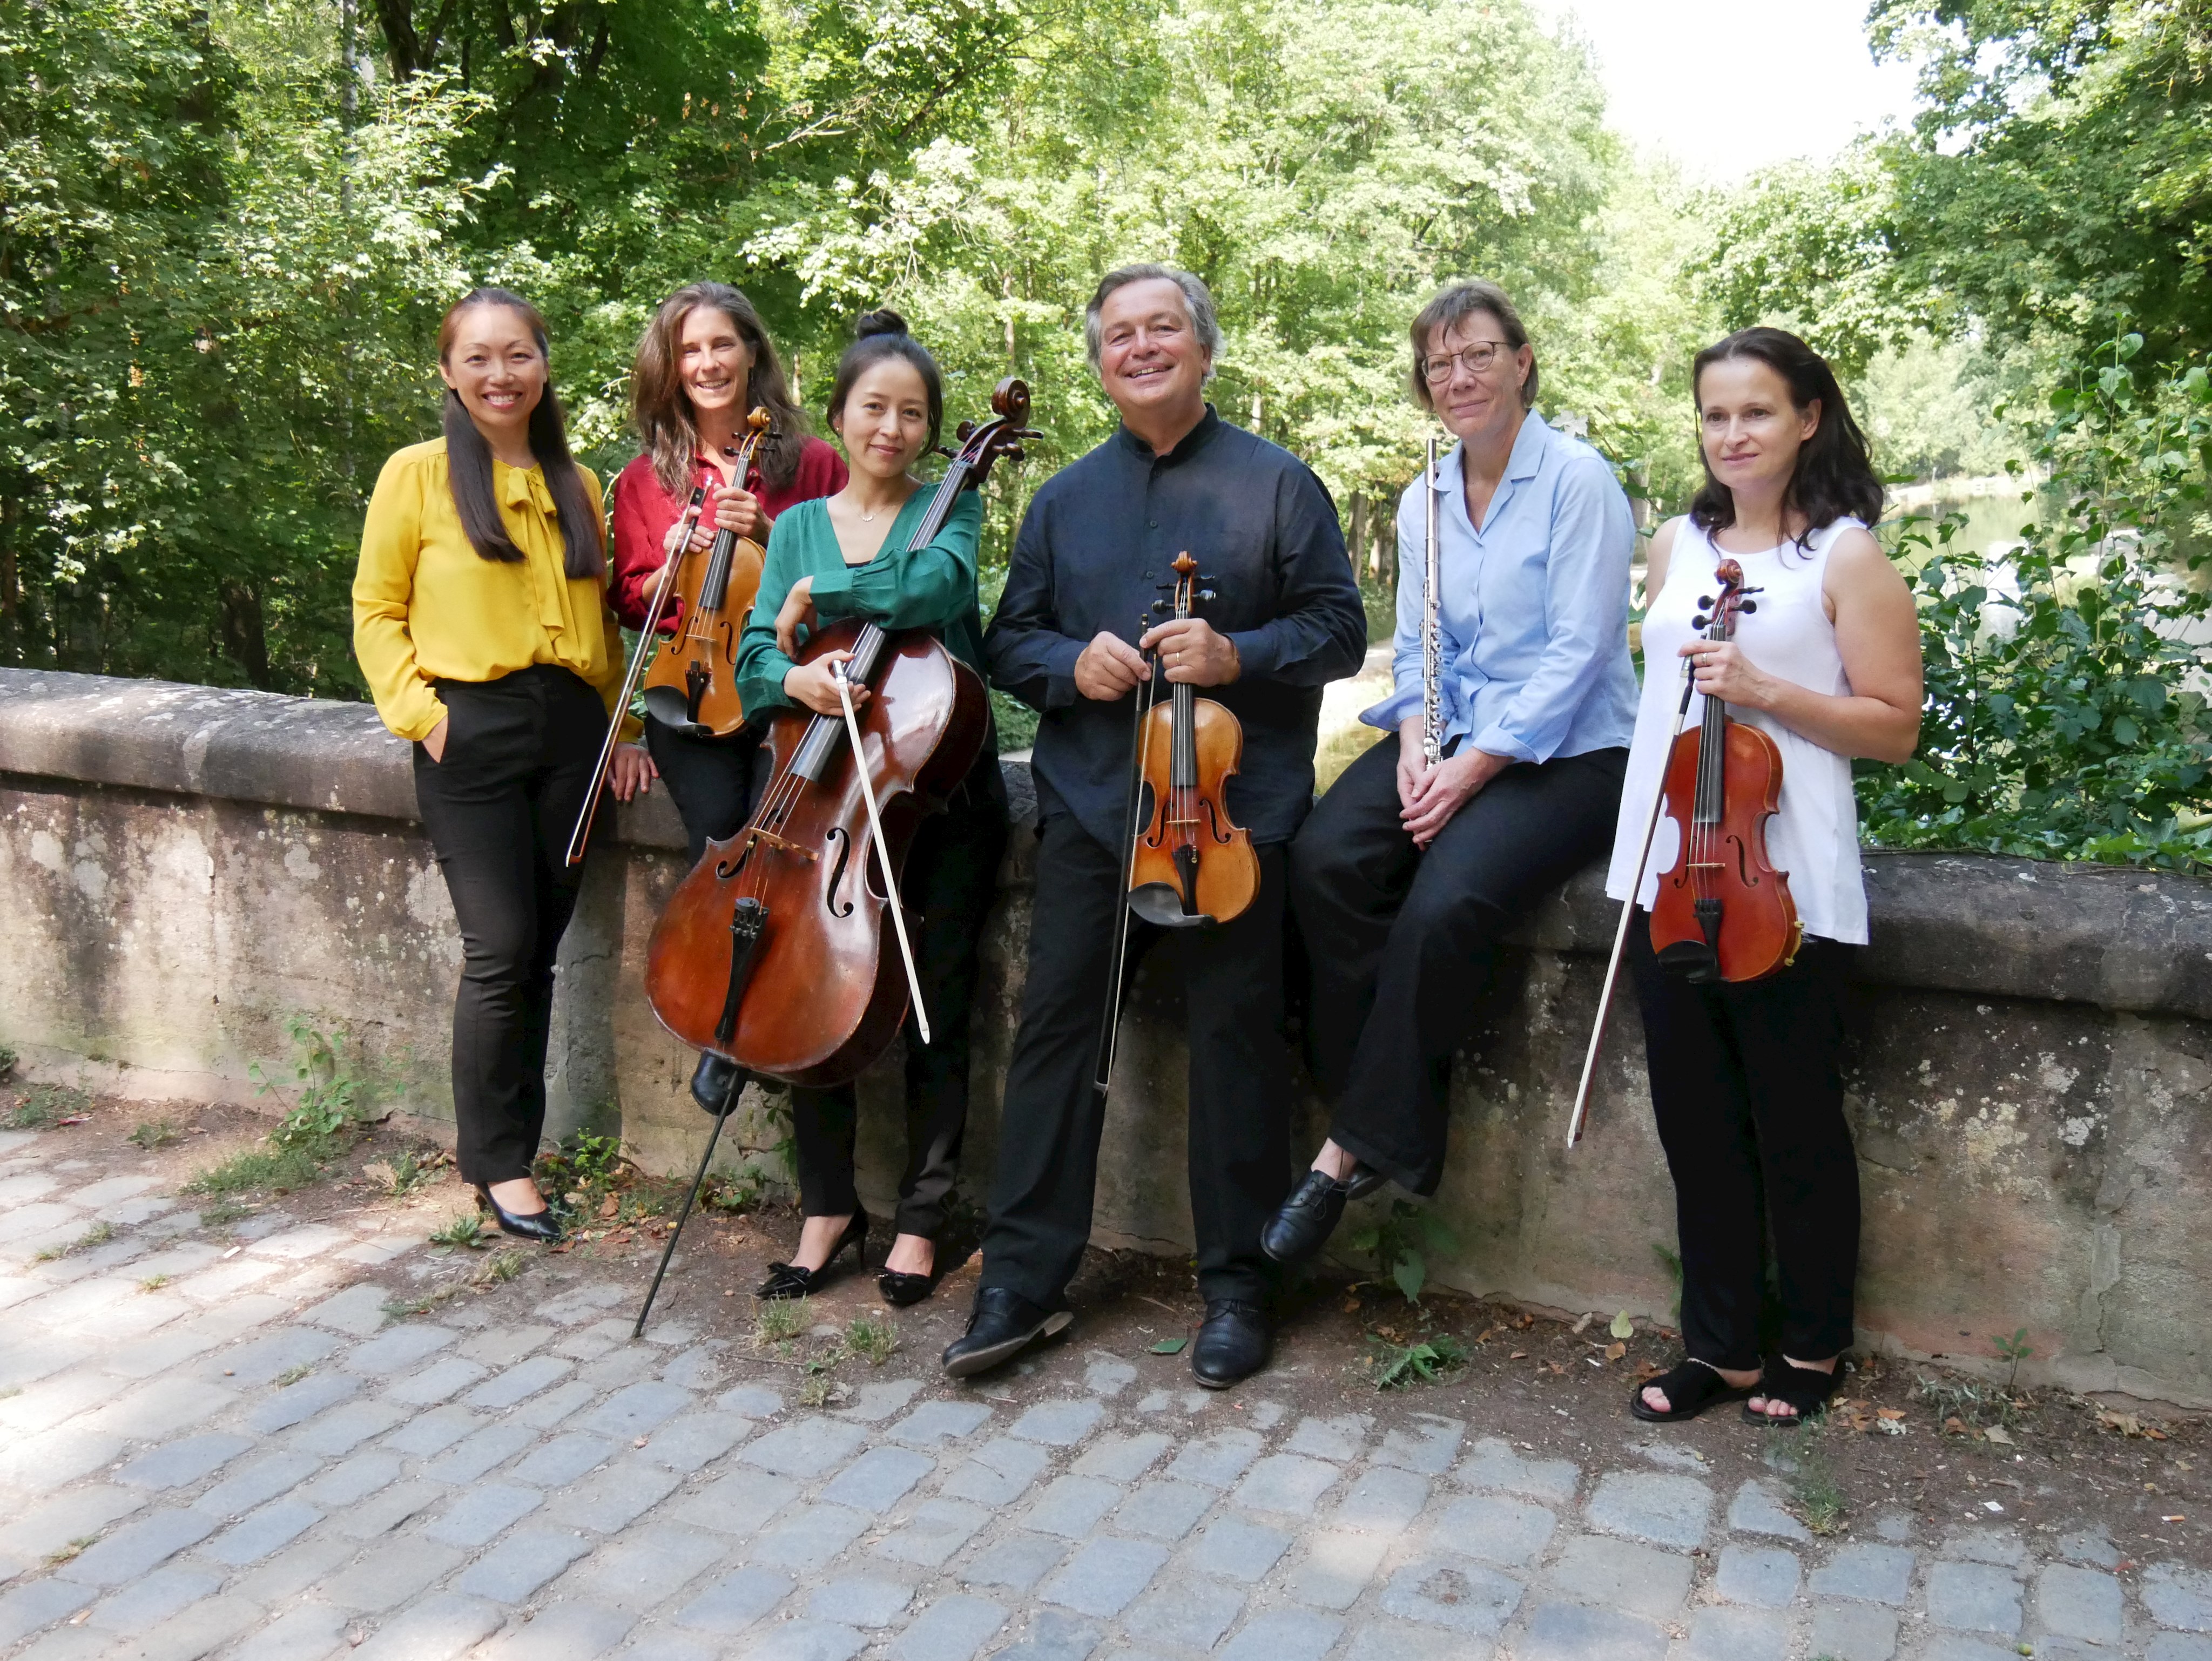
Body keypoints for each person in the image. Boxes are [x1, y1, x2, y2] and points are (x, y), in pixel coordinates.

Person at [950, 263, 1367, 1387]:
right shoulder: (1062, 498)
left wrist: (1241, 655)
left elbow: (1338, 626)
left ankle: (1238, 1284)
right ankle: (1024, 1279)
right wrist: (1065, 665)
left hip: (1234, 815)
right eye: (1118, 336)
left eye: (1163, 329)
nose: (1140, 348)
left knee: (1235, 1045)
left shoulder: (1280, 485)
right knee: (1057, 1034)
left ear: (1204, 347)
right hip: (1094, 806)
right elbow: (1008, 639)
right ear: (1097, 363)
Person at [1259, 279, 1637, 1269]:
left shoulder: (1577, 480)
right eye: (1439, 363)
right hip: (1451, 732)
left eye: (1478, 354)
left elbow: (1580, 654)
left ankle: (1344, 1154)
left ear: (1522, 361)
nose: (1458, 376)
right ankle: (1393, 1115)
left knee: (1445, 900)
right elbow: (1419, 644)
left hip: (1573, 750)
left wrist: (1469, 772)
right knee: (1327, 860)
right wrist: (1420, 745)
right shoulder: (1423, 495)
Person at [1609, 326, 1920, 1425]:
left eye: (1753, 410)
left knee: (1792, 1115)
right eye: (1713, 414)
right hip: (1669, 862)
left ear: (1806, 419)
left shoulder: (1843, 555)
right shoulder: (1672, 547)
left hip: (1783, 874)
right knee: (1693, 1118)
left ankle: (1813, 1342)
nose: (1730, 432)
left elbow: (1892, 727)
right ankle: (1721, 1343)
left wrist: (1766, 688)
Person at [353, 287, 655, 1243]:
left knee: (544, 950)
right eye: (478, 357)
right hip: (468, 730)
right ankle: (496, 1163)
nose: (499, 374)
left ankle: (513, 1144)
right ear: (449, 372)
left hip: (571, 733)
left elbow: (602, 631)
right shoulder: (418, 475)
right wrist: (422, 718)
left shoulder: (579, 483)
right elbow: (376, 609)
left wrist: (624, 732)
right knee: (499, 949)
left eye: (517, 354)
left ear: (543, 365)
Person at [731, 310, 1009, 1307]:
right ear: (841, 415)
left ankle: (923, 1219)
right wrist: (795, 677)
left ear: (933, 431)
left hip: (937, 794)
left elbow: (933, 592)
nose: (890, 428)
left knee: (935, 1004)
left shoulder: (952, 505)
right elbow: (757, 656)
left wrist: (824, 603)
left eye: (912, 414)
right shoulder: (797, 521)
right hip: (828, 794)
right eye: (873, 408)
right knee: (806, 987)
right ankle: (827, 1208)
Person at [607, 282, 848, 1116]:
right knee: (723, 855)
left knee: (782, 861)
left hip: (783, 695)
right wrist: (670, 560)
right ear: (670, 369)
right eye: (690, 350)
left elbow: (850, 583)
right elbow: (632, 600)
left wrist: (773, 537)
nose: (708, 364)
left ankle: (766, 1026)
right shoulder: (644, 481)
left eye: (722, 345)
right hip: (692, 702)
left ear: (753, 353)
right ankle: (726, 1024)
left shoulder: (814, 463)